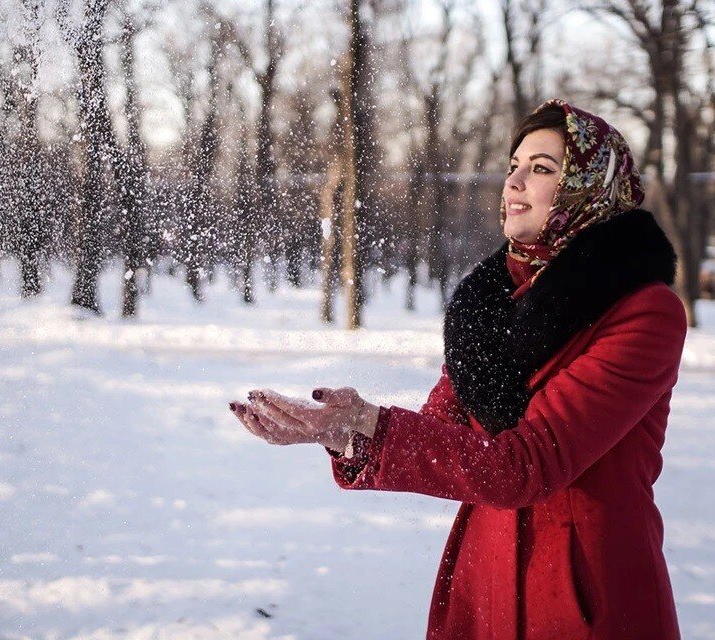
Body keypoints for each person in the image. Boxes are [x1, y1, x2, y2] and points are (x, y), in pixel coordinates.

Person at [230, 98, 686, 640]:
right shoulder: (489, 304)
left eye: (542, 169)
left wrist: (375, 424)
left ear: (591, 187)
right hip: (484, 582)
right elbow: (443, 434)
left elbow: (527, 465)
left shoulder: (644, 312)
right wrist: (344, 432)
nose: (515, 181)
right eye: (513, 166)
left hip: (585, 596)